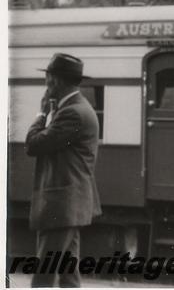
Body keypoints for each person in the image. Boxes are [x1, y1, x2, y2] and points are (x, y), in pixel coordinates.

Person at [25, 53, 102, 287]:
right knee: (69, 277)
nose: (45, 83)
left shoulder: (71, 113)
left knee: (44, 276)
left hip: (61, 205)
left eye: (47, 77)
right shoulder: (76, 108)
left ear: (55, 80)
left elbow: (33, 144)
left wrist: (41, 113)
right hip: (69, 205)